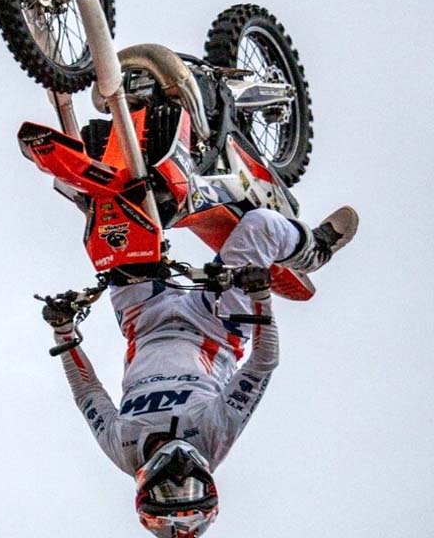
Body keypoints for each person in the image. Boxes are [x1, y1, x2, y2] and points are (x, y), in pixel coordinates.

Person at [42, 206, 359, 537]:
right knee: (261, 225)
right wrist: (260, 296)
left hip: (145, 320)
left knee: (112, 224)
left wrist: (63, 330)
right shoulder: (214, 434)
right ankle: (313, 250)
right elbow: (263, 362)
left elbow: (88, 394)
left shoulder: (124, 446)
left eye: (170, 493)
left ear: (144, 490)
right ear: (209, 485)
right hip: (217, 324)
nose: (181, 474)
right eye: (192, 489)